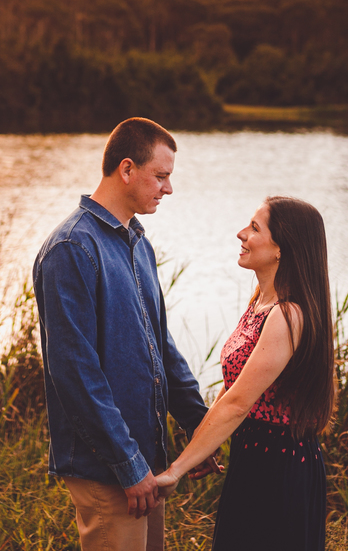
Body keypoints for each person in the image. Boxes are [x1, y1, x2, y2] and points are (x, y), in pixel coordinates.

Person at [33, 117, 221, 551]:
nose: (168, 189)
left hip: (144, 461)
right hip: (110, 469)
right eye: (161, 176)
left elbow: (161, 348)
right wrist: (126, 462)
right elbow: (75, 373)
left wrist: (199, 424)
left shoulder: (136, 240)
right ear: (126, 169)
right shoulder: (72, 248)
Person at [155, 196, 337, 550]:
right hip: (252, 459)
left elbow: (238, 402)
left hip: (281, 470)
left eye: (255, 228)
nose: (241, 234)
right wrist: (202, 444)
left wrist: (176, 469)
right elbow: (231, 390)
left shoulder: (288, 315)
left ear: (282, 248)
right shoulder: (261, 304)